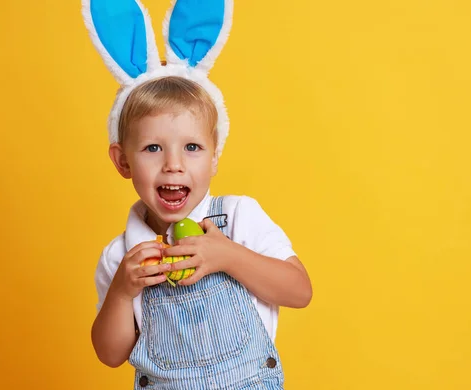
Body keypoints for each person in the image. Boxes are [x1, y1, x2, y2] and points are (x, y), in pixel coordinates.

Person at [82, 0, 312, 388]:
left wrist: (228, 255)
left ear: (214, 157)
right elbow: (110, 354)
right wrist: (122, 292)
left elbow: (299, 290)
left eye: (192, 148)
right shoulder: (121, 256)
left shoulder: (238, 217)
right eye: (153, 148)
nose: (174, 164)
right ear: (123, 162)